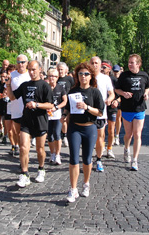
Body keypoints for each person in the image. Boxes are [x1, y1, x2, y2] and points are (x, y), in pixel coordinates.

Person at [7, 60, 53, 187]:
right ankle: (24, 173)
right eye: (30, 70)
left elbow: (50, 104)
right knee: (23, 147)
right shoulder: (25, 85)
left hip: (40, 120)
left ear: (39, 70)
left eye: (34, 69)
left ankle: (41, 168)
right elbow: (12, 97)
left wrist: (36, 104)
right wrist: (8, 84)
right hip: (26, 120)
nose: (32, 72)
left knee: (40, 149)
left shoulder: (45, 85)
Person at [64, 62, 105, 203]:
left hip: (89, 128)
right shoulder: (73, 91)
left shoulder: (95, 92)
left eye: (86, 74)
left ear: (91, 76)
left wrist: (87, 107)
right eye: (80, 74)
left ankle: (86, 184)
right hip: (74, 127)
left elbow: (100, 112)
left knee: (87, 159)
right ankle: (73, 189)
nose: (83, 76)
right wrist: (64, 116)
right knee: (73, 158)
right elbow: (68, 109)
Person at [115, 54, 149, 171]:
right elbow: (117, 89)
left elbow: (147, 87)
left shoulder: (144, 75)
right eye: (129, 62)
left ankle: (135, 160)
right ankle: (126, 149)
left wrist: (146, 94)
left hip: (140, 108)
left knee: (137, 134)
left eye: (132, 62)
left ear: (138, 64)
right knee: (128, 134)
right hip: (127, 108)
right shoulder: (124, 76)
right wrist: (123, 93)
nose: (129, 64)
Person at [89, 56, 115, 172]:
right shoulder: (85, 77)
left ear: (100, 65)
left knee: (100, 137)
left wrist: (110, 99)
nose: (94, 65)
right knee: (88, 137)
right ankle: (88, 158)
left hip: (100, 113)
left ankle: (99, 159)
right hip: (87, 112)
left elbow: (112, 93)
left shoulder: (105, 78)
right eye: (92, 63)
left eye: (96, 63)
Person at [8, 55, 31, 157]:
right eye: (18, 62)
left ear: (27, 63)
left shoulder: (30, 74)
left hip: (29, 109)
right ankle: (20, 148)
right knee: (18, 133)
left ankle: (25, 154)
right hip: (16, 108)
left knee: (26, 134)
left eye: (22, 62)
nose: (20, 64)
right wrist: (8, 85)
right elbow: (9, 94)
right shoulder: (12, 75)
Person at [46, 67, 68, 165]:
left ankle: (58, 155)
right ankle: (52, 154)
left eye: (54, 76)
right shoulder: (45, 87)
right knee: (50, 136)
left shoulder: (60, 88)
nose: (52, 78)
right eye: (50, 76)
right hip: (47, 115)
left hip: (57, 114)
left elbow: (65, 101)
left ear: (57, 77)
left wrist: (57, 107)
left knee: (57, 134)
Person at [102, 60, 120, 158]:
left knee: (111, 129)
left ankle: (109, 148)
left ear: (109, 69)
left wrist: (117, 101)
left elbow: (120, 94)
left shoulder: (114, 80)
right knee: (101, 129)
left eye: (104, 67)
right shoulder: (98, 79)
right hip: (101, 107)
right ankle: (102, 146)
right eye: (101, 67)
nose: (102, 69)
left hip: (112, 107)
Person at [56, 62, 74, 147]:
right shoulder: (56, 78)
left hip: (68, 102)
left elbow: (74, 88)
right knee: (61, 119)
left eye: (61, 69)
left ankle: (65, 136)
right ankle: (62, 135)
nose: (60, 71)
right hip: (58, 102)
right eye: (58, 69)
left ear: (65, 70)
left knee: (66, 119)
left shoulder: (69, 79)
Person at [112, 64, 123, 145]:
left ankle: (117, 135)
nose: (116, 73)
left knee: (118, 118)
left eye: (117, 71)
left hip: (120, 100)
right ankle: (112, 136)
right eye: (114, 71)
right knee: (111, 120)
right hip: (112, 100)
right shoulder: (111, 79)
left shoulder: (122, 80)